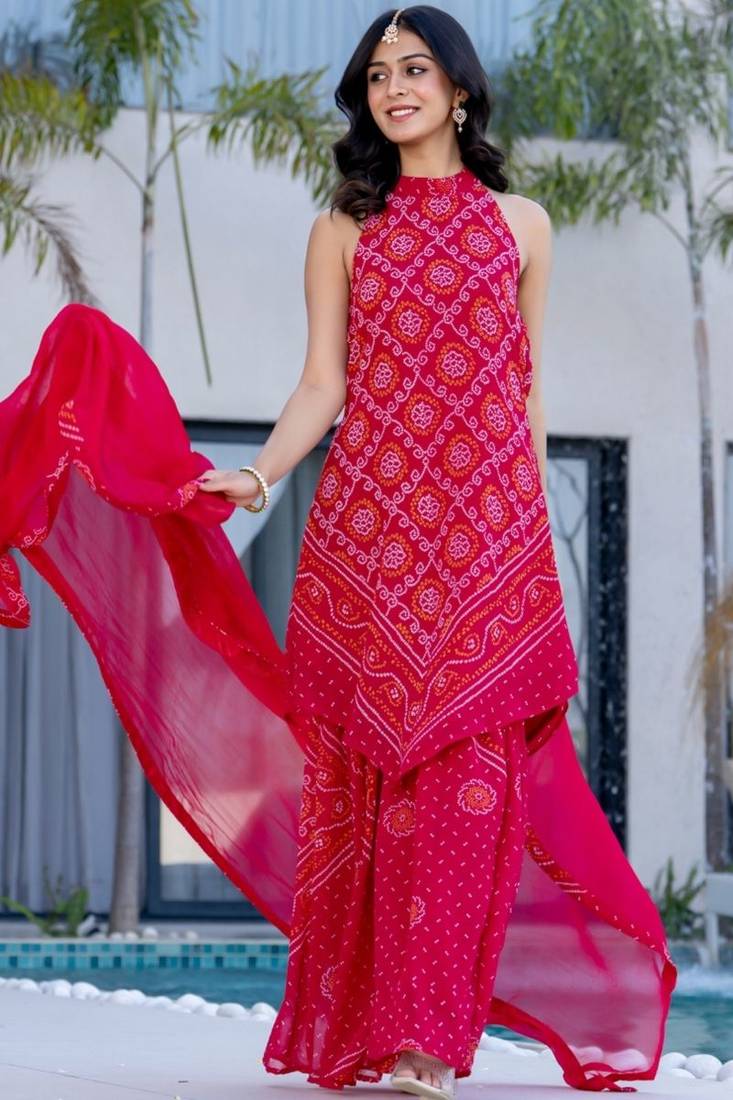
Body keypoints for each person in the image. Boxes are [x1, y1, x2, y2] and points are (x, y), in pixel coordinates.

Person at [0, 6, 675, 1100]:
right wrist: (262, 476)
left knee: (467, 794)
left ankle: (426, 1044)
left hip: (488, 544)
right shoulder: (345, 230)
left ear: (460, 89)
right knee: (370, 792)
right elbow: (324, 382)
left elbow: (526, 389)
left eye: (415, 70)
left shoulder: (524, 225)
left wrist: (529, 546)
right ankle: (376, 1028)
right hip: (370, 541)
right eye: (375, 76)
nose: (393, 88)